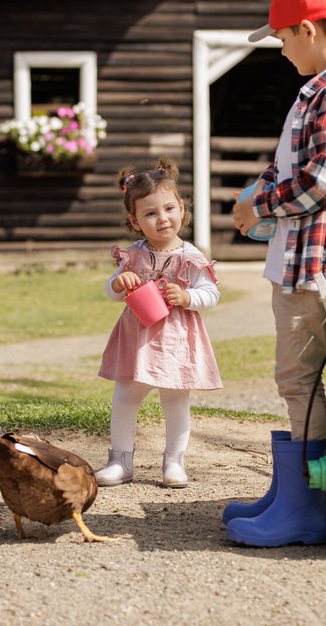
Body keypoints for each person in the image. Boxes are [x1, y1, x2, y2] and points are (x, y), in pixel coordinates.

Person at [226, 0, 326, 547]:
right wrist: (254, 195)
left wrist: (260, 205)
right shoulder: (318, 92)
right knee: (297, 377)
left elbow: (318, 184)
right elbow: (294, 167)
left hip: (313, 267)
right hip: (298, 259)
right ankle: (288, 493)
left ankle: (305, 508)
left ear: (308, 30)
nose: (283, 50)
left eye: (283, 38)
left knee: (299, 379)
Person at [96, 157, 222, 489]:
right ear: (134, 221)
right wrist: (119, 283)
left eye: (168, 209)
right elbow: (111, 292)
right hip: (138, 338)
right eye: (150, 213)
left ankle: (174, 461)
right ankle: (120, 460)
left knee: (175, 399)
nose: (162, 218)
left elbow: (211, 293)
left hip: (176, 340)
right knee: (125, 396)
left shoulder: (190, 256)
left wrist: (189, 298)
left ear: (181, 209)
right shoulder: (133, 255)